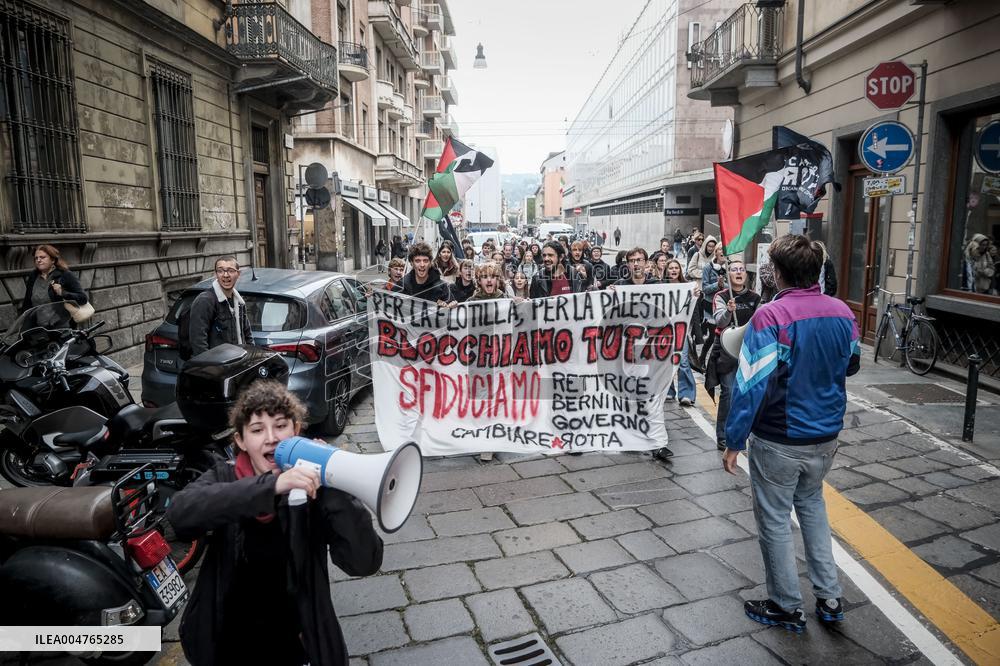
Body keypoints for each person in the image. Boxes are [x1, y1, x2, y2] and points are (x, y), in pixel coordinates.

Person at [167, 381, 383, 666]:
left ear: (295, 430)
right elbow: (181, 514)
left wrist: (336, 484)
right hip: (227, 644)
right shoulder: (225, 476)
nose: (271, 438)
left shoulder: (317, 491)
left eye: (280, 426)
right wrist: (271, 486)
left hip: (298, 646)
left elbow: (363, 562)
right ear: (241, 441)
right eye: (257, 430)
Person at [723, 234, 860, 633]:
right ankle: (830, 598)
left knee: (775, 522)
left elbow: (751, 384)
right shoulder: (842, 312)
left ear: (778, 273)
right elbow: (851, 365)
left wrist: (734, 440)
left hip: (780, 436)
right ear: (816, 271)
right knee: (814, 510)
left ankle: (785, 605)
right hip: (826, 435)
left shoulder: (771, 316)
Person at [706, 259, 760, 451]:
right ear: (728, 274)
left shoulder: (755, 297)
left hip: (748, 351)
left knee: (746, 393)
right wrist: (729, 311)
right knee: (728, 392)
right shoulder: (721, 296)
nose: (738, 272)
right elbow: (720, 322)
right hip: (727, 352)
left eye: (741, 269)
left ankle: (743, 432)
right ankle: (723, 435)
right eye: (734, 269)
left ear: (746, 274)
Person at [188, 256, 253, 358]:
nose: (225, 275)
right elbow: (198, 342)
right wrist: (211, 368)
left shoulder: (240, 302)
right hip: (217, 368)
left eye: (231, 271)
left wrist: (251, 358)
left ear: (238, 274)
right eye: (220, 271)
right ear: (216, 274)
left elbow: (247, 335)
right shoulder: (205, 300)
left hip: (238, 364)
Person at [19, 244, 89, 329]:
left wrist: (62, 293)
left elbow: (83, 298)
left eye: (42, 257)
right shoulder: (33, 276)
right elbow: (27, 303)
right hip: (39, 328)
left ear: (52, 260)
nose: (38, 260)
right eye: (36, 258)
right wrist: (23, 326)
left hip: (61, 329)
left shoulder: (65, 275)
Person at [698, 244, 729, 370]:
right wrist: (718, 284)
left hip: (724, 306)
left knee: (722, 335)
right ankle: (702, 358)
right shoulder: (708, 268)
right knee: (712, 336)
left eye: (725, 250)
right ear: (716, 252)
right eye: (720, 249)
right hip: (710, 305)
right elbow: (705, 288)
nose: (723, 252)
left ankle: (716, 363)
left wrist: (724, 285)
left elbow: (732, 287)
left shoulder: (729, 267)